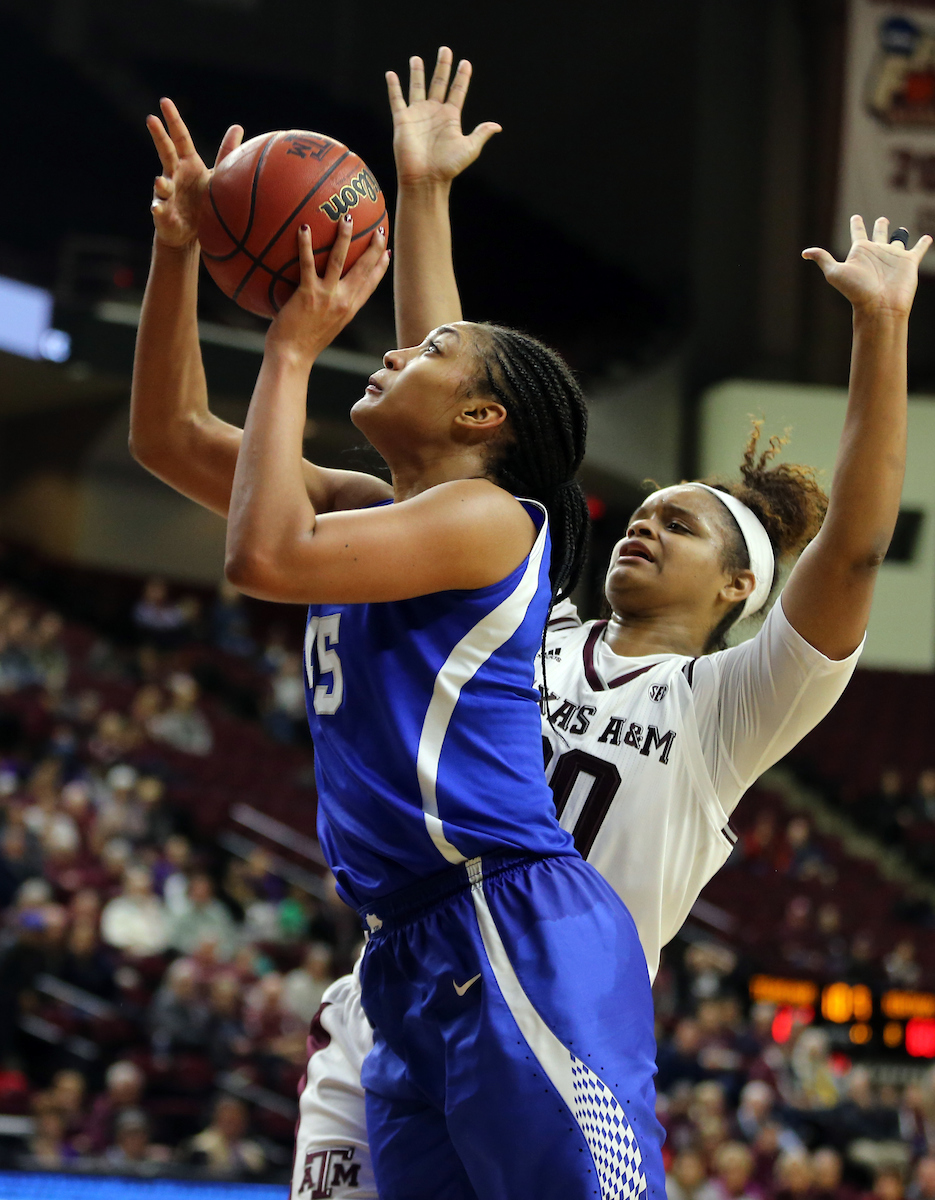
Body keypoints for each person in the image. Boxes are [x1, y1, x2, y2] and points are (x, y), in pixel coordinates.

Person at [286, 44, 931, 1200]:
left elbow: (851, 548)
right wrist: (424, 196)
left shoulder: (728, 708)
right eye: (642, 513)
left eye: (680, 526)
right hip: (413, 989)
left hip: (557, 1012)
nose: (643, 527)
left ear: (737, 590)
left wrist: (879, 330)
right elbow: (449, 441)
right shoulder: (530, 621)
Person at [133, 75, 658, 1200]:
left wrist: (288, 352)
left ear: (480, 419)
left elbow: (263, 557)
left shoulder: (487, 521)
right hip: (408, 949)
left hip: (510, 925)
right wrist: (179, 252)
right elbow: (168, 436)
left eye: (426, 357)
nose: (389, 353)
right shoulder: (375, 508)